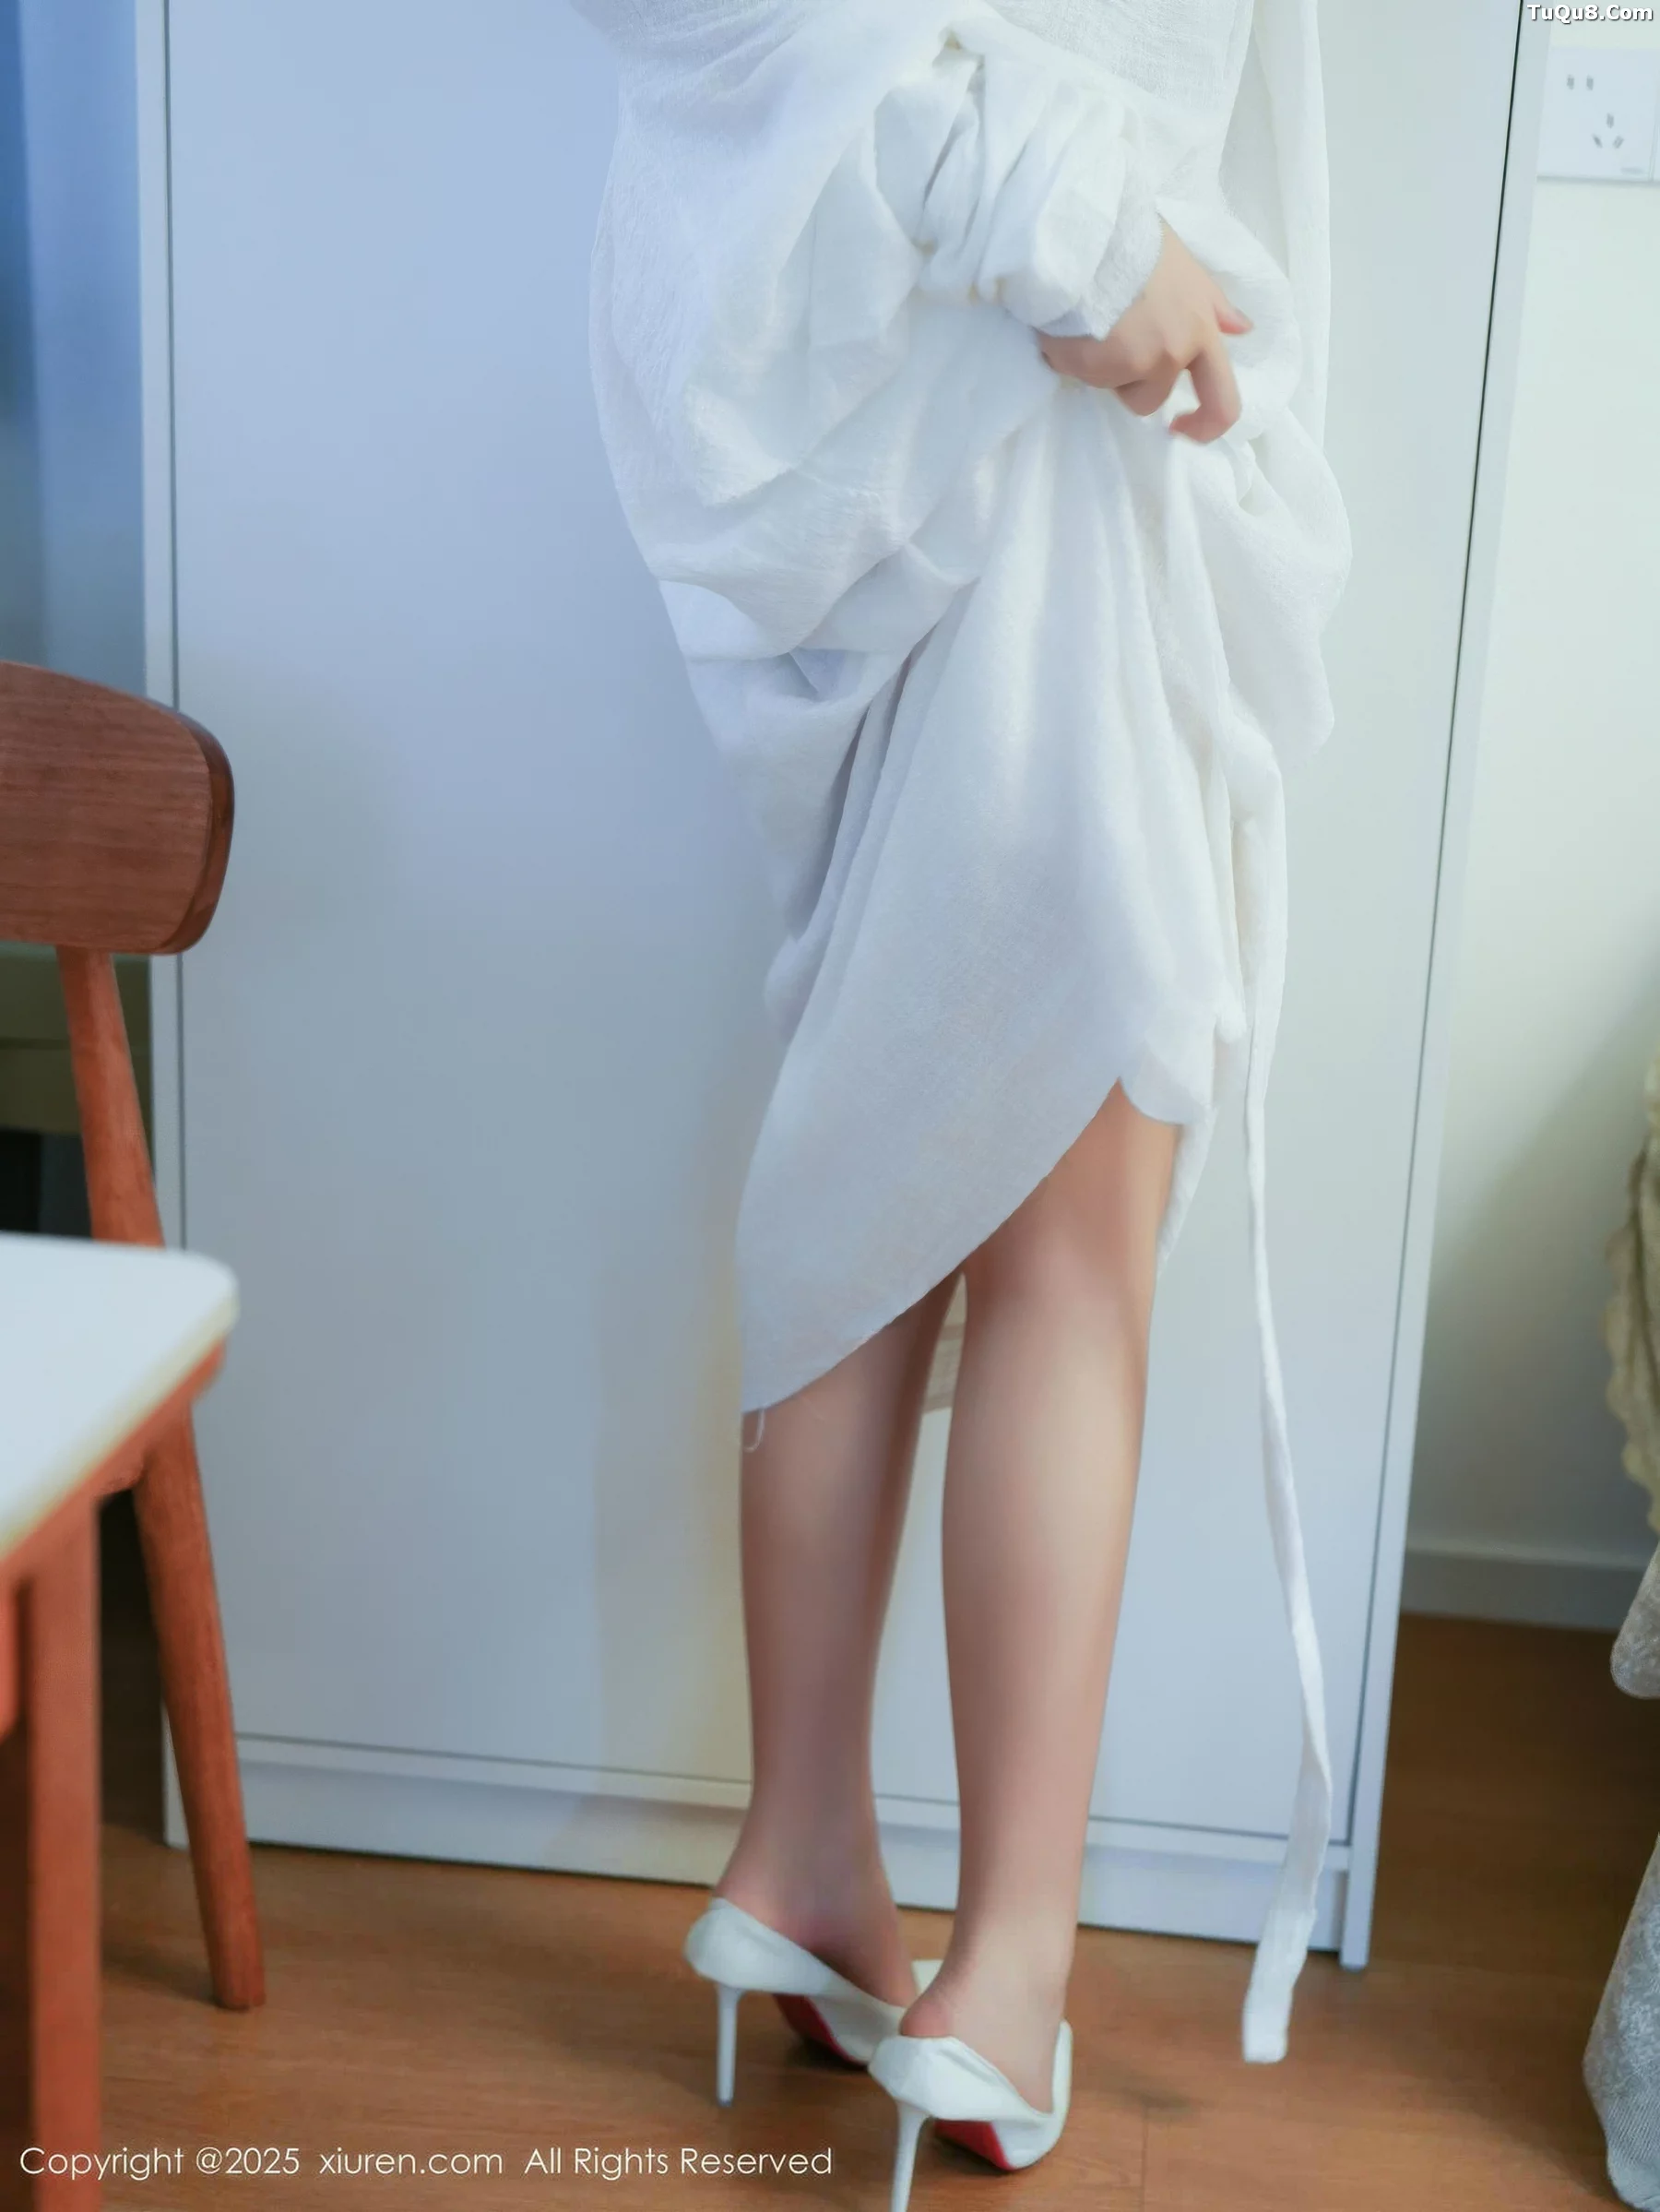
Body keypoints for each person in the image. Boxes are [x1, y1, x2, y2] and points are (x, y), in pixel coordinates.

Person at [575, 0, 1351, 2199]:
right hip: (1061, 429)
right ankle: (1007, 1965)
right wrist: (1067, 202)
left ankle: (804, 1851)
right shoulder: (1049, 198)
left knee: (874, 1160)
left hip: (892, 416)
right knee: (1068, 1262)